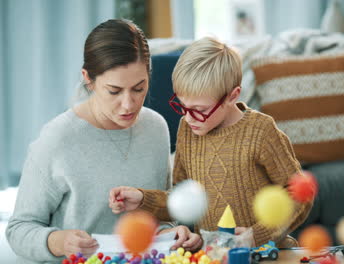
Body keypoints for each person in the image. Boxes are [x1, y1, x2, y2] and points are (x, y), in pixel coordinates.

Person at [6, 19, 200, 264]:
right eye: (114, 91)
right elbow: (19, 230)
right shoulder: (57, 139)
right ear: (88, 79)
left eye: (139, 88)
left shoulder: (156, 127)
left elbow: (160, 212)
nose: (129, 105)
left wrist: (167, 233)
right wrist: (59, 241)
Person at [109, 36, 312, 247]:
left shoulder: (260, 130)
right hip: (213, 255)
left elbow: (301, 193)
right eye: (183, 106)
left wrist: (256, 236)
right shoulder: (187, 130)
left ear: (232, 96)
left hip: (266, 251)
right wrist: (142, 198)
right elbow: (181, 199)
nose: (188, 118)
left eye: (200, 110)